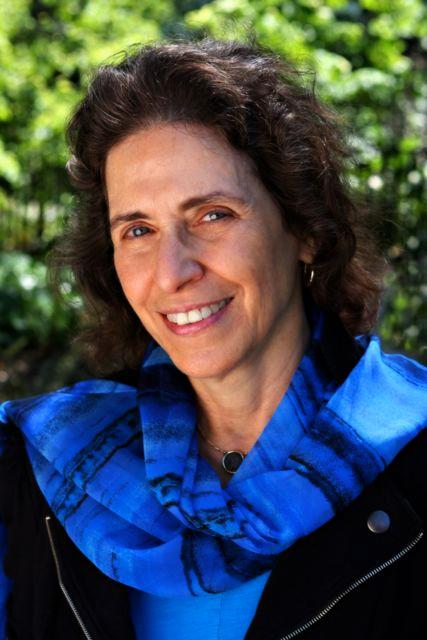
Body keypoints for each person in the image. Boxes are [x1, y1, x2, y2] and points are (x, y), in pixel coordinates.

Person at [0, 39, 426, 640]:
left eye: (213, 215)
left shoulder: (414, 458)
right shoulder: (38, 468)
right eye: (138, 229)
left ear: (304, 228)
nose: (171, 271)